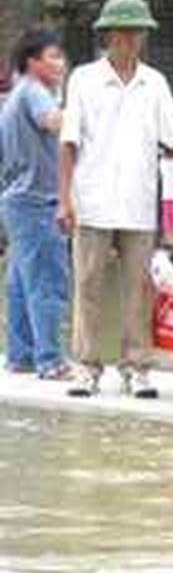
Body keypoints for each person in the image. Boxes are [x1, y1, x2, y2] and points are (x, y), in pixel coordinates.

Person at [58, 0, 173, 398]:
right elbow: (69, 142)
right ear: (108, 35)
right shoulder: (84, 80)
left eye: (138, 32)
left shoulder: (154, 83)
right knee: (89, 285)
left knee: (140, 287)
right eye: (125, 32)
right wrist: (65, 199)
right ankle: (87, 367)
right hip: (92, 199)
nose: (131, 40)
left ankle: (137, 368)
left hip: (139, 202)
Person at [0, 27, 71, 380]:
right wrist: (86, 119)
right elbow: (55, 122)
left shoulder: (13, 96)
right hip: (37, 202)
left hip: (15, 201)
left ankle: (21, 355)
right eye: (53, 57)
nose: (61, 64)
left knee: (19, 282)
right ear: (32, 63)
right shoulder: (35, 93)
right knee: (47, 281)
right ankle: (50, 361)